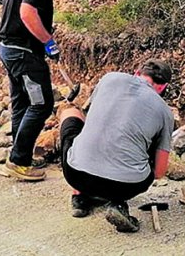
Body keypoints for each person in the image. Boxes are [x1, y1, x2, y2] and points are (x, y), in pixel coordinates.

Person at [59, 59, 174, 233]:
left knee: (71, 113)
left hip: (76, 174)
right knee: (149, 147)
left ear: (136, 73)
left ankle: (79, 195)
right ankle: (117, 201)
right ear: (163, 87)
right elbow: (159, 172)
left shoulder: (109, 78)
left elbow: (92, 115)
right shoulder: (165, 111)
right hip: (127, 186)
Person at [0, 0, 66, 181]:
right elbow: (26, 13)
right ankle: (18, 161)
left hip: (8, 49)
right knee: (41, 104)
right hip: (24, 53)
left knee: (22, 103)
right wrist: (48, 42)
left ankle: (20, 154)